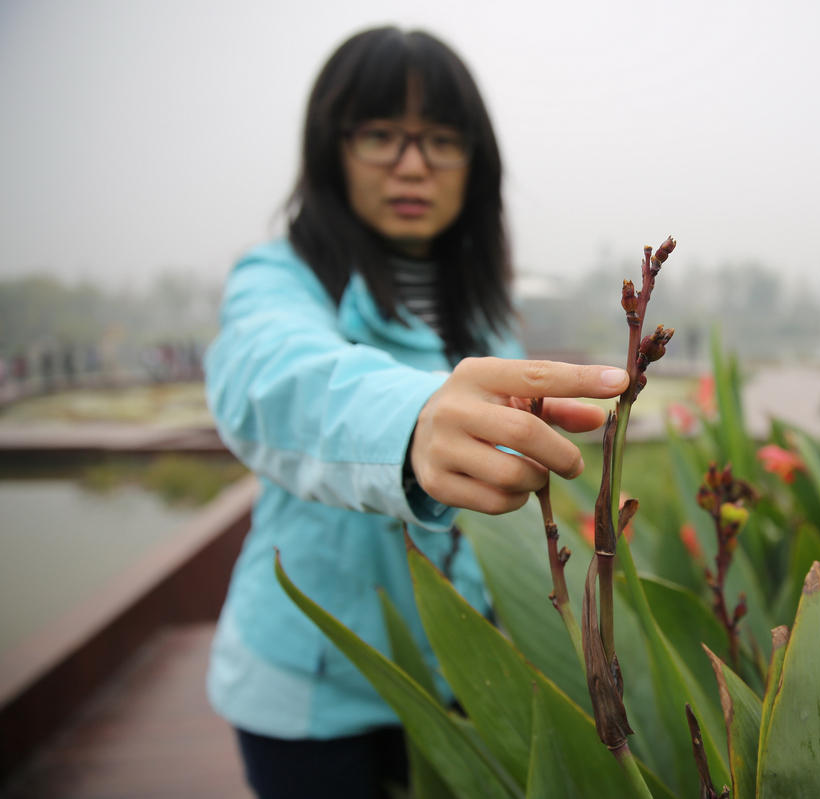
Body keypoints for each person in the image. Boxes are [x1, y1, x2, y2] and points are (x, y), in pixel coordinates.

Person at [204, 26, 629, 798]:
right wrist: (414, 420)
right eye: (380, 136)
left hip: (464, 667)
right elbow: (266, 374)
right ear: (331, 147)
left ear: (477, 163)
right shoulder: (283, 277)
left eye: (441, 139)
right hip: (313, 685)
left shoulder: (484, 308)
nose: (412, 164)